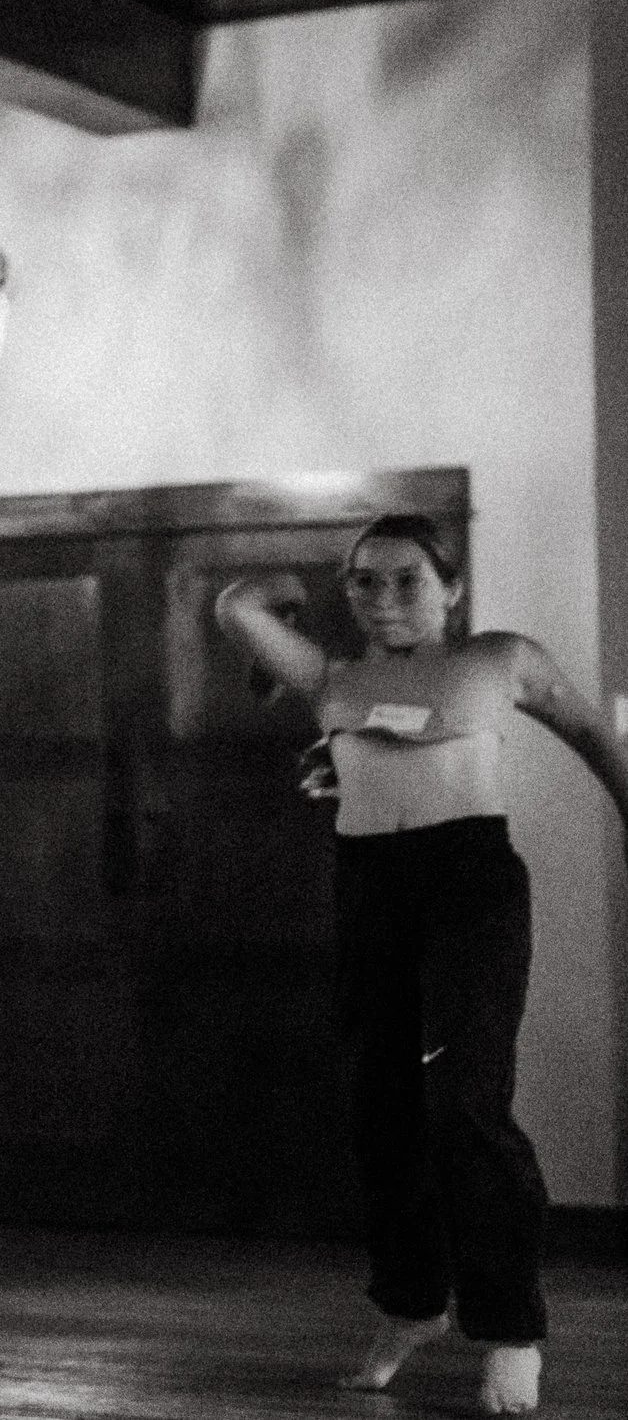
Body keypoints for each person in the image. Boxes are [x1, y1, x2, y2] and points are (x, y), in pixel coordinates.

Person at [216, 514, 628, 1416]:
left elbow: (597, 735)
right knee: (382, 1106)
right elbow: (238, 604)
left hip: (470, 884)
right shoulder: (331, 674)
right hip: (371, 889)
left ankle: (512, 1327)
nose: (384, 597)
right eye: (365, 581)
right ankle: (411, 1303)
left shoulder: (498, 657)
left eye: (408, 579)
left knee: (466, 1102)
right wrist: (296, 589)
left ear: (453, 588)